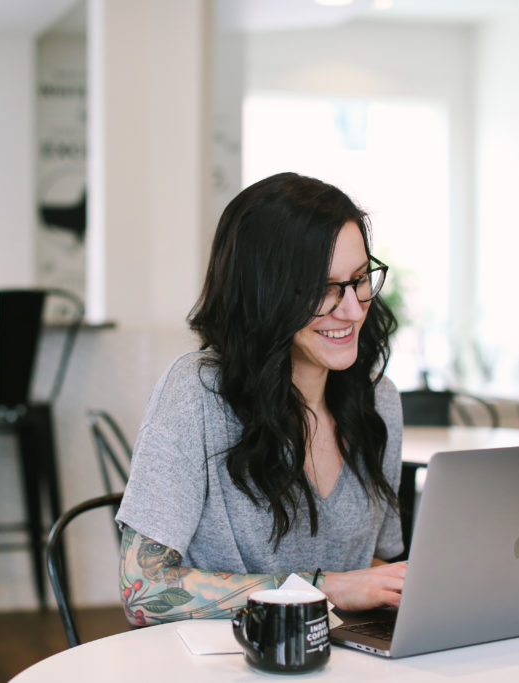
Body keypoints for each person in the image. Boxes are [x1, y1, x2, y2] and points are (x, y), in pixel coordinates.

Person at [115, 172, 406, 626]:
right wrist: (323, 587)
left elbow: (372, 572)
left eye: (359, 278)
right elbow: (145, 591)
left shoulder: (377, 399)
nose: (352, 309)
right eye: (322, 288)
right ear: (262, 294)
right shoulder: (198, 393)